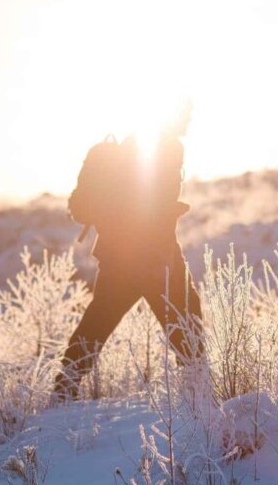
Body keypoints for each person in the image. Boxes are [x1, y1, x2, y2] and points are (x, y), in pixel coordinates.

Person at [54, 105, 202, 400]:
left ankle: (62, 389)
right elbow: (151, 199)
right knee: (187, 323)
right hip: (154, 256)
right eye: (185, 112)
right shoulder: (167, 147)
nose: (189, 119)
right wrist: (169, 212)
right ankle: (198, 396)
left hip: (118, 256)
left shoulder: (133, 144)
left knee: (97, 324)